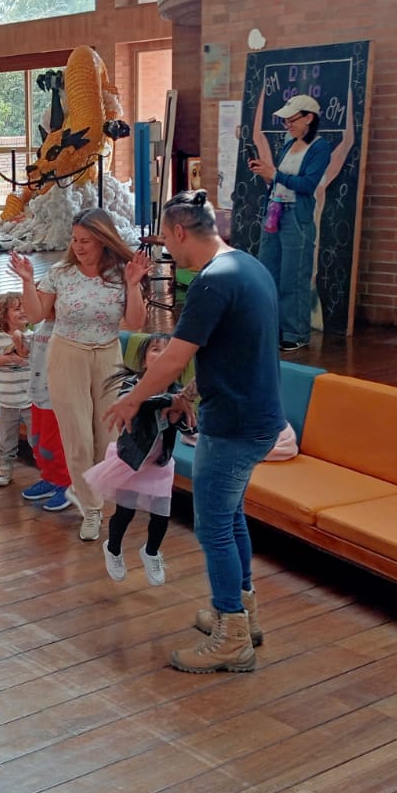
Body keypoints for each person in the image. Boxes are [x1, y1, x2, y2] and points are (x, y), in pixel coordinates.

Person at [105, 190, 283, 674]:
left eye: (166, 239)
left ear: (180, 232)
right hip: (260, 417)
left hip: (235, 426)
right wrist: (194, 393)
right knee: (231, 517)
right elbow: (235, 349)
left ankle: (231, 636)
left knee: (213, 526)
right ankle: (244, 613)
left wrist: (132, 398)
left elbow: (175, 357)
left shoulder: (211, 282)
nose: (168, 249)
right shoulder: (248, 265)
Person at [10, 208, 149, 541]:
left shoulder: (121, 273)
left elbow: (135, 322)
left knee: (107, 438)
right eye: (75, 239)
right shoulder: (61, 272)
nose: (79, 246)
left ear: (103, 240)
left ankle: (101, 501)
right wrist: (28, 283)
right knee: (78, 439)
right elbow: (36, 313)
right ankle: (91, 510)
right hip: (67, 355)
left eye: (86, 240)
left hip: (107, 356)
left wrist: (132, 285)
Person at [84, 334, 181, 586]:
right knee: (124, 513)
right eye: (155, 350)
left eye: (167, 351)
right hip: (131, 462)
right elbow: (140, 403)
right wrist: (171, 401)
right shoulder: (132, 386)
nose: (160, 355)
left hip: (159, 464)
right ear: (144, 358)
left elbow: (190, 425)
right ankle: (113, 548)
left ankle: (151, 552)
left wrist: (179, 416)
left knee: (161, 516)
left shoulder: (176, 392)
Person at [248, 93, 334, 354]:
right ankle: (271, 329)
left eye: (292, 119)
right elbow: (281, 180)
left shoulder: (320, 147)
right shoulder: (288, 144)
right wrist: (267, 174)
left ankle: (296, 332)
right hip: (275, 211)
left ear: (309, 118)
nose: (287, 125)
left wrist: (274, 174)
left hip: (297, 216)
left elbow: (308, 185)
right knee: (268, 273)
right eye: (285, 121)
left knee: (293, 277)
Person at [20, 318, 74, 512]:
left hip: (56, 397)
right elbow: (30, 350)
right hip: (38, 394)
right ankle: (50, 478)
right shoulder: (40, 324)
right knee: (37, 440)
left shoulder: (67, 326)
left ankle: (66, 484)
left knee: (52, 445)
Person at [0, 292, 31, 488]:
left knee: (38, 439)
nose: (23, 312)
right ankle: (5, 467)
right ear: (4, 315)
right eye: (17, 309)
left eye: (25, 307)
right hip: (6, 400)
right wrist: (6, 359)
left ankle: (48, 472)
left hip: (30, 400)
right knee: (7, 438)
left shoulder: (33, 338)